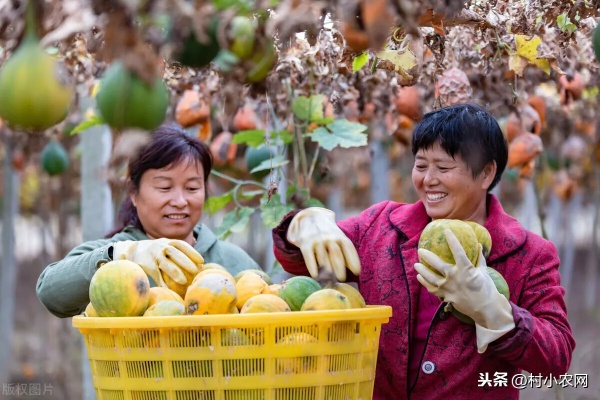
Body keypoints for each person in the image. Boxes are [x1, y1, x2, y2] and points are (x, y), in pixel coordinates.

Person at [272, 103, 575, 399]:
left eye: (443, 167)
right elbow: (302, 263)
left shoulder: (529, 254)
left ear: (485, 173)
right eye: (421, 165)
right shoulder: (380, 227)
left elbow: (557, 358)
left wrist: (498, 314)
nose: (428, 180)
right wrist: (302, 224)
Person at [37, 125, 260, 318]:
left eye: (192, 188)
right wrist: (126, 254)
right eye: (165, 187)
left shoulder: (232, 261)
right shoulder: (114, 254)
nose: (180, 201)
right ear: (134, 193)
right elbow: (51, 291)